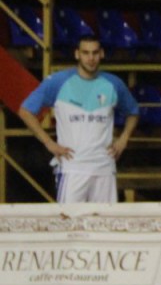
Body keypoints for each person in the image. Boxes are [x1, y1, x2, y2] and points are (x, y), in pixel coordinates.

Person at [17, 34, 139, 204]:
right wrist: (48, 143)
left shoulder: (114, 84)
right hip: (72, 168)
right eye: (85, 53)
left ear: (102, 54)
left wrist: (124, 139)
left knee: (105, 220)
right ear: (77, 54)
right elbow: (25, 111)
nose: (91, 58)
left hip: (104, 168)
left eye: (95, 53)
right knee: (68, 219)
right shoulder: (58, 82)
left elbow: (133, 112)